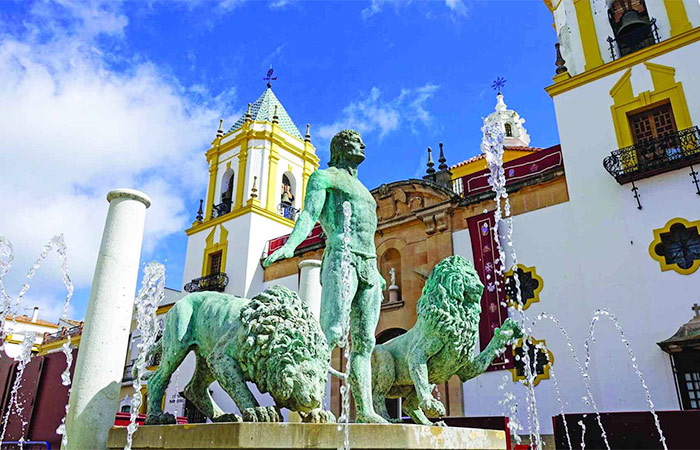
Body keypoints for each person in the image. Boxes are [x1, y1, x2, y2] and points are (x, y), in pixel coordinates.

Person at [263, 129, 386, 423]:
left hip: (370, 265)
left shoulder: (366, 192)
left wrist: (378, 273)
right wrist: (290, 246)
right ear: (342, 147)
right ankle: (311, 403)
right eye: (357, 142)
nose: (364, 145)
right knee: (330, 332)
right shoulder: (324, 177)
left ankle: (366, 411)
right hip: (341, 257)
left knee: (365, 342)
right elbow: (308, 215)